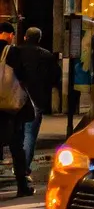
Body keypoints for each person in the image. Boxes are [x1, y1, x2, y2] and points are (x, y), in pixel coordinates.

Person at [15, 27, 57, 170]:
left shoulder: (16, 53)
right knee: (30, 133)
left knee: (17, 134)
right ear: (39, 39)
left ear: (25, 37)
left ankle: (19, 165)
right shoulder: (46, 55)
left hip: (16, 97)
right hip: (37, 99)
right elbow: (54, 77)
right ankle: (24, 167)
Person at [0, 24, 32, 196]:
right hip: (9, 106)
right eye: (12, 34)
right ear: (6, 34)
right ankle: (22, 186)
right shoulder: (11, 52)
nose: (12, 37)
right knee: (16, 145)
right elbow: (22, 75)